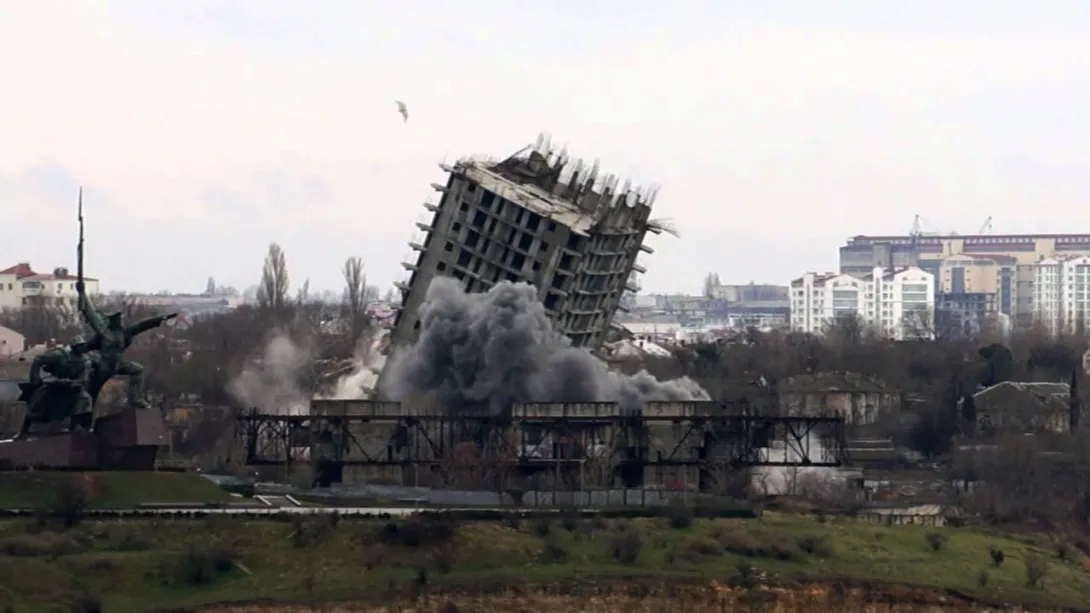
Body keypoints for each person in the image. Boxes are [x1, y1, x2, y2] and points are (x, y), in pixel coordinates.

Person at [76, 281, 177, 409]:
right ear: (112, 320)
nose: (120, 320)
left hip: (118, 364)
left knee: (138, 371)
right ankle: (84, 414)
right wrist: (82, 293)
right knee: (92, 392)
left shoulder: (123, 333)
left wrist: (160, 319)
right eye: (117, 318)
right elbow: (90, 314)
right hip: (104, 366)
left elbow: (142, 325)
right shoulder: (102, 331)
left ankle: (135, 398)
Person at [20, 335, 95, 437]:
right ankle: (24, 429)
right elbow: (38, 359)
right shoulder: (60, 355)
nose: (82, 348)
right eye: (79, 346)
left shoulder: (86, 362)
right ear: (74, 347)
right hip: (53, 383)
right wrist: (35, 377)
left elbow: (84, 380)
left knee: (85, 398)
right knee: (38, 400)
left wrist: (71, 382)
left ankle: (75, 424)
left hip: (71, 388)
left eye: (83, 346)